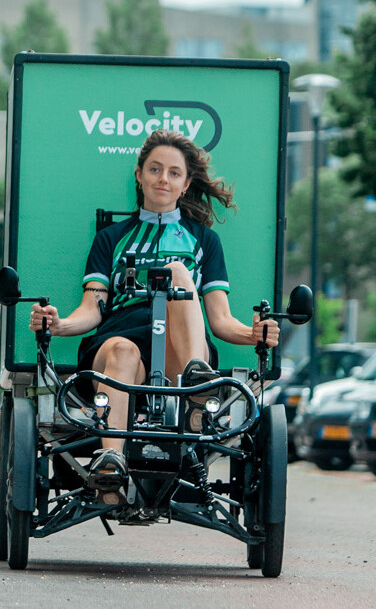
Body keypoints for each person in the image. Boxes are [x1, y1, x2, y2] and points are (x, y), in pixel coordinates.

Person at [30, 129, 278, 490]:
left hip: (182, 354)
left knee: (177, 271)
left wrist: (255, 334)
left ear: (186, 183)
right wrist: (56, 323)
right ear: (139, 174)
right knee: (121, 349)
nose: (163, 179)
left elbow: (221, 321)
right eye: (155, 169)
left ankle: (196, 385)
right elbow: (92, 309)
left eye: (174, 173)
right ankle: (111, 461)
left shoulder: (204, 240)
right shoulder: (111, 238)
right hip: (120, 341)